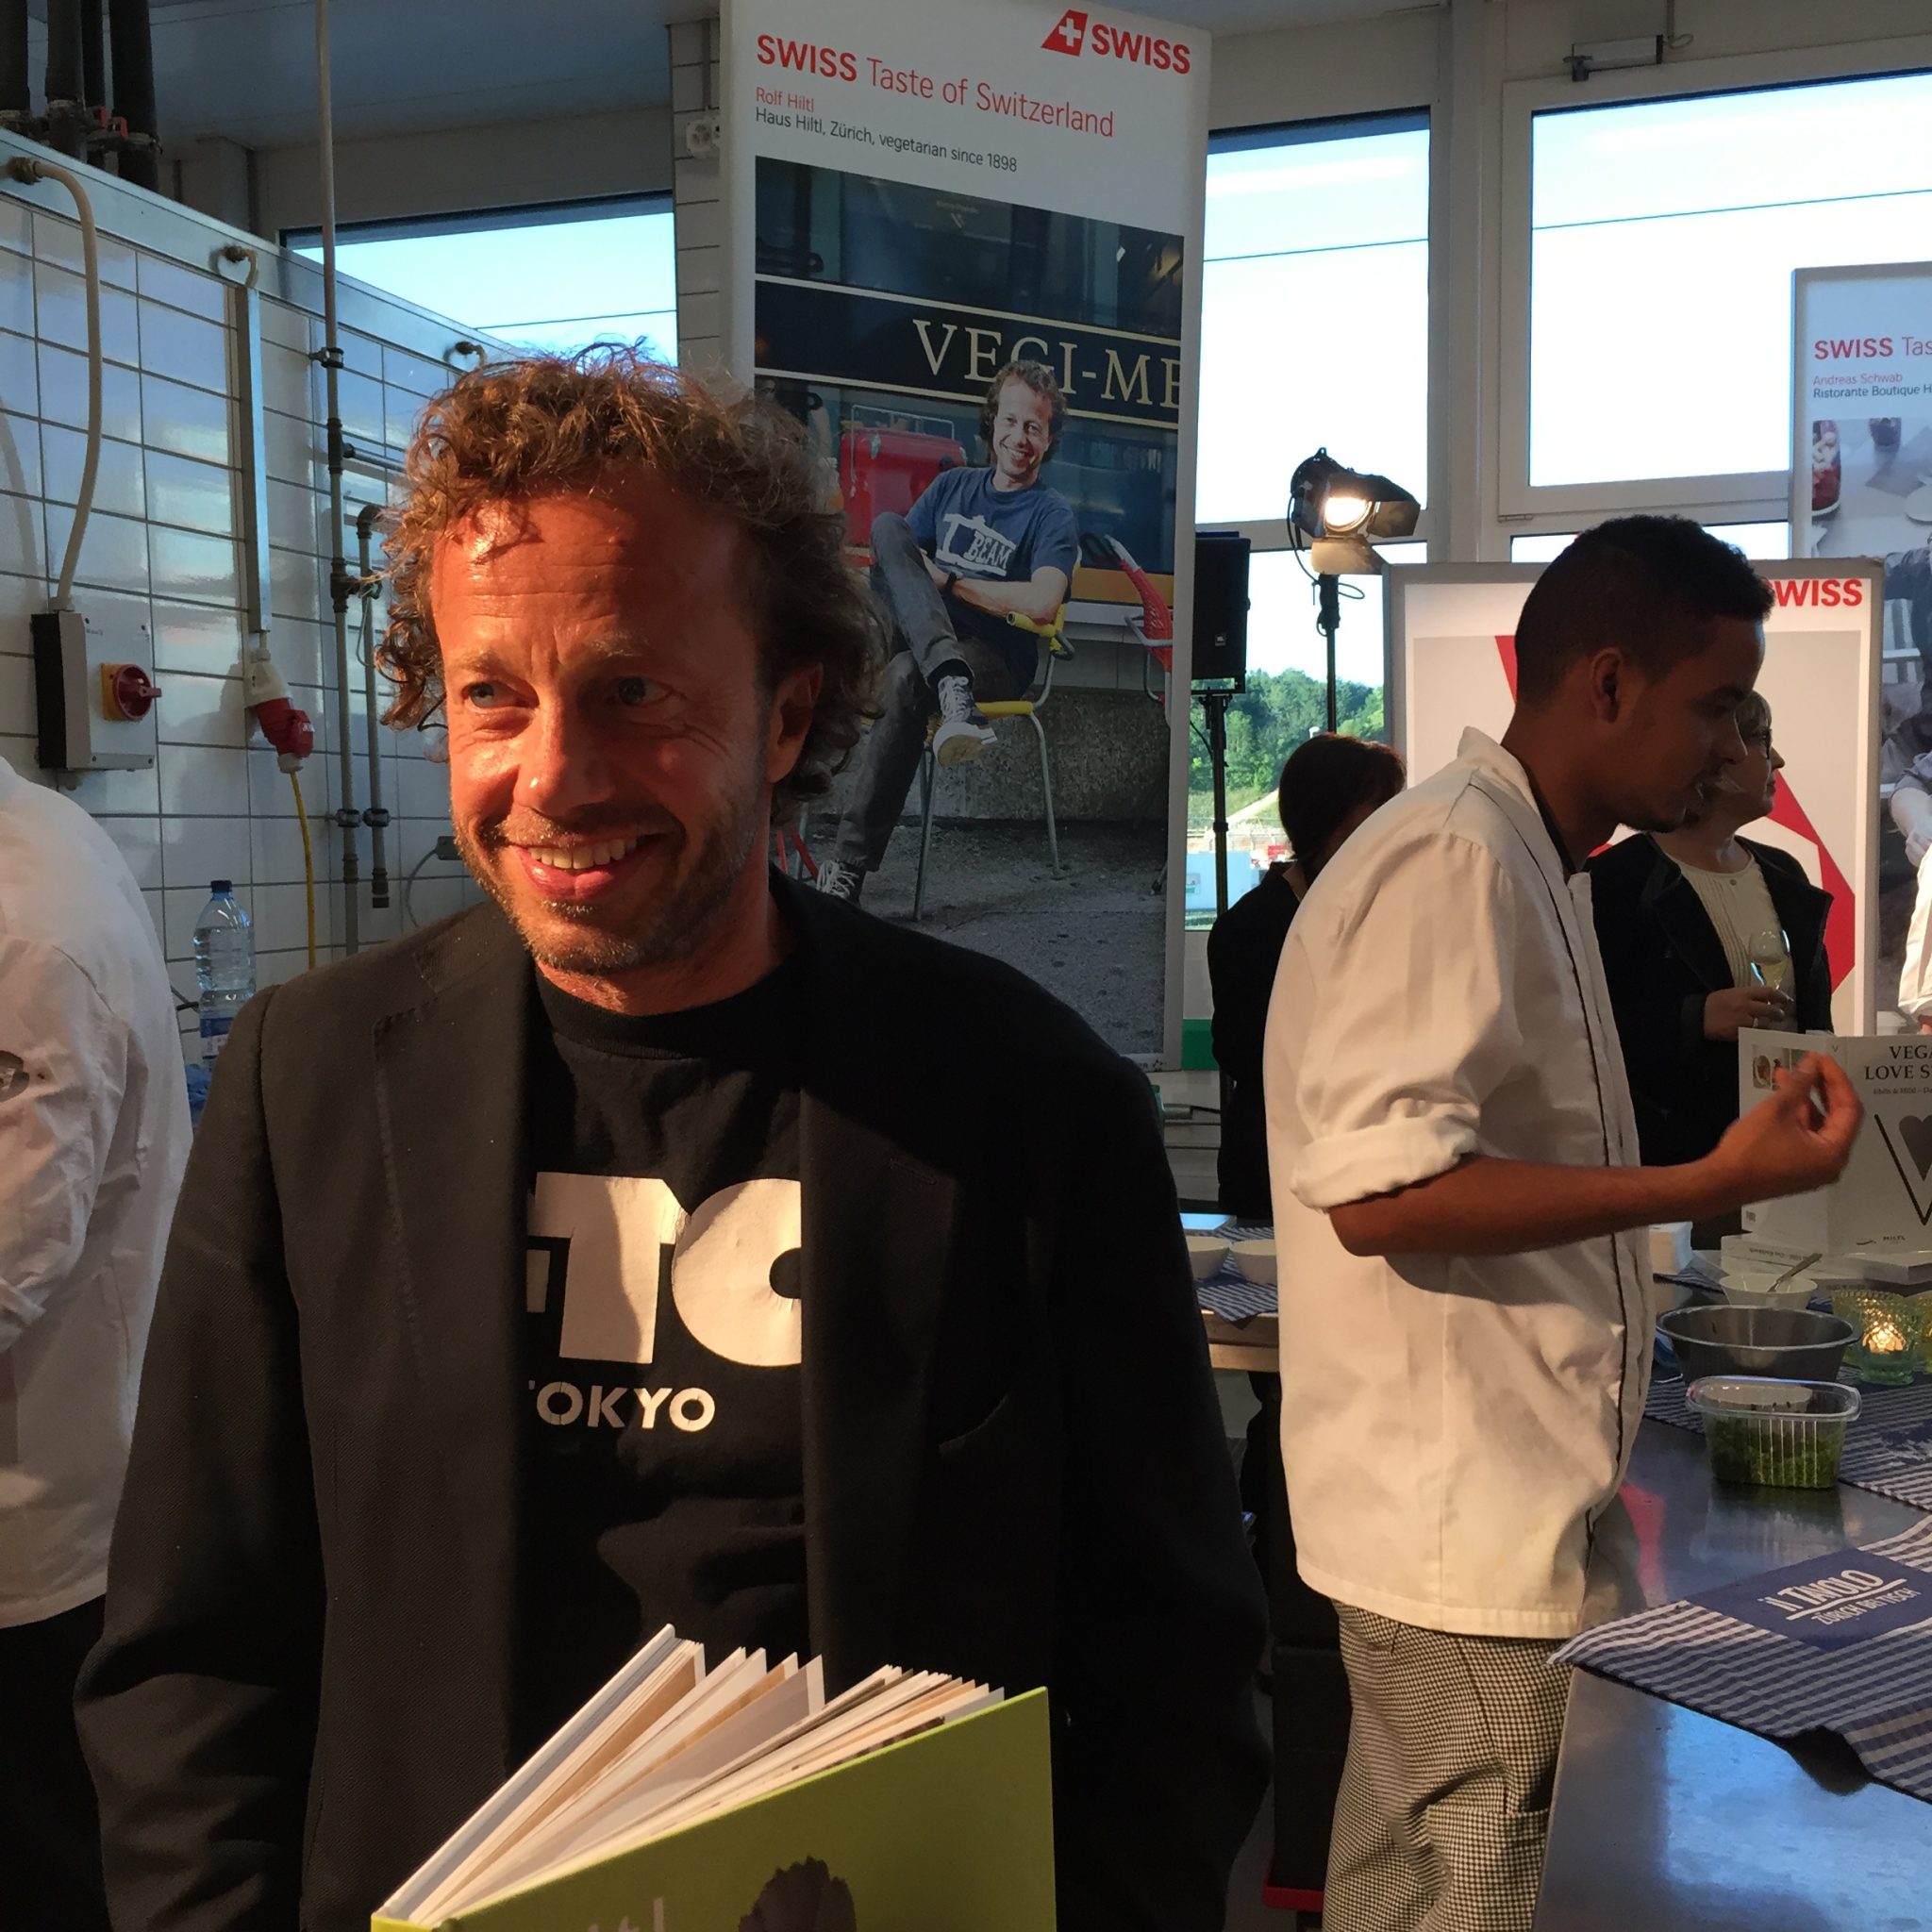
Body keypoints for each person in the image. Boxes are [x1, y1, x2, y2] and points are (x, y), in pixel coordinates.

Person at [76, 350, 1266, 1932]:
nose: (553, 778)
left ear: (785, 715)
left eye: (632, 690)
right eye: (492, 694)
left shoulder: (1028, 1104)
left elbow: (1170, 1667)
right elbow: (196, 1651)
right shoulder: (315, 1085)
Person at [1263, 516, 1861, 1932]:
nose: (1732, 750)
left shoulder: (1530, 857)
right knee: (1470, 1893)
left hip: (1482, 1514)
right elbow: (1381, 1197)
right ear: (1607, 683)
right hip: (1460, 1535)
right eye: (1713, 705)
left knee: (1408, 1885)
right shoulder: (1456, 857)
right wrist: (1701, 1184)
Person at [0, 752, 191, 1931]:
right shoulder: (38, 832)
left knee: (49, 1871)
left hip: (37, 1527)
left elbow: (8, 1259)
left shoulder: (26, 925)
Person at [813, 359, 1079, 904]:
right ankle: (949, 681)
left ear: (1049, 439)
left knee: (907, 677)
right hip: (922, 635)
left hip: (994, 654)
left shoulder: (1050, 514)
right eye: (1011, 421)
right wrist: (924, 586)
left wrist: (952, 582)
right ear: (993, 421)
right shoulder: (952, 486)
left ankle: (847, 868)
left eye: (1034, 427)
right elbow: (898, 563)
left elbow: (1044, 602)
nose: (1019, 438)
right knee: (888, 527)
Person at [1591, 691, 1833, 1183]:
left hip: (1789, 1144)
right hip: (1679, 1167)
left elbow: (1813, 1019)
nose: (1777, 759)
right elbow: (1579, 1035)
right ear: (1713, 755)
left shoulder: (1784, 873)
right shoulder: (1616, 883)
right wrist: (1694, 1016)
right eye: (1763, 739)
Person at [1208, 733, 1407, 1223]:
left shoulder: (1393, 908)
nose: (1394, 827)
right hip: (1277, 1168)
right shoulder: (1249, 928)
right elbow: (1245, 1053)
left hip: (1377, 1163)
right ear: (1327, 818)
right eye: (1378, 810)